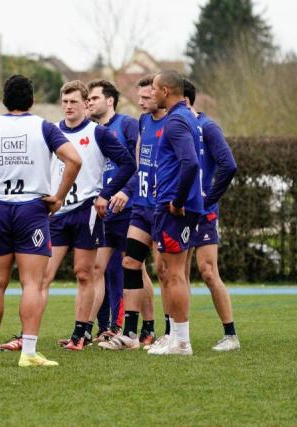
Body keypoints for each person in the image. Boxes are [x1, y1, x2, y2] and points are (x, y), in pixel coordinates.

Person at [0, 74, 82, 368]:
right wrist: (59, 196)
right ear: (33, 101)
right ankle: (29, 352)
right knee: (32, 283)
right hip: (32, 209)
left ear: (4, 102)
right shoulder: (44, 127)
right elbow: (74, 159)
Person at [39, 81, 135, 351]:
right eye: (65, 102)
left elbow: (128, 164)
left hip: (86, 212)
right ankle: (28, 335)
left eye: (74, 102)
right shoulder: (51, 131)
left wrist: (106, 193)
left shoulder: (98, 133)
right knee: (44, 275)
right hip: (57, 212)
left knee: (84, 274)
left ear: (85, 104)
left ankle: (80, 334)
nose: (69, 106)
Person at [99, 75, 166, 351]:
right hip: (141, 207)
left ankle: (167, 331)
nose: (140, 102)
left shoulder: (175, 123)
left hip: (164, 209)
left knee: (164, 270)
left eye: (146, 97)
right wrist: (131, 189)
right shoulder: (143, 121)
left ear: (162, 94)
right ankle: (130, 333)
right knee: (131, 264)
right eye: (138, 97)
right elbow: (139, 164)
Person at [146, 70, 203, 356]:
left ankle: (181, 341)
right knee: (166, 270)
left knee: (175, 272)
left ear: (166, 91)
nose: (151, 93)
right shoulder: (181, 118)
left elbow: (190, 163)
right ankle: (173, 336)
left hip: (174, 207)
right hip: (167, 204)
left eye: (154, 89)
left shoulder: (177, 120)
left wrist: (178, 200)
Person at [182, 79, 240, 351]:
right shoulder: (171, 128)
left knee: (207, 271)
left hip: (203, 213)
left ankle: (230, 335)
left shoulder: (208, 128)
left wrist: (208, 199)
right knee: (176, 273)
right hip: (179, 211)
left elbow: (229, 166)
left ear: (184, 101)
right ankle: (177, 334)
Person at [85, 79, 142, 342]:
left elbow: (138, 163)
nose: (89, 103)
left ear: (110, 100)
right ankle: (98, 327)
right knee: (100, 269)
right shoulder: (93, 132)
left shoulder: (127, 124)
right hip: (102, 210)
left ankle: (130, 327)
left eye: (94, 98)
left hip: (127, 208)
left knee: (127, 268)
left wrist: (126, 191)